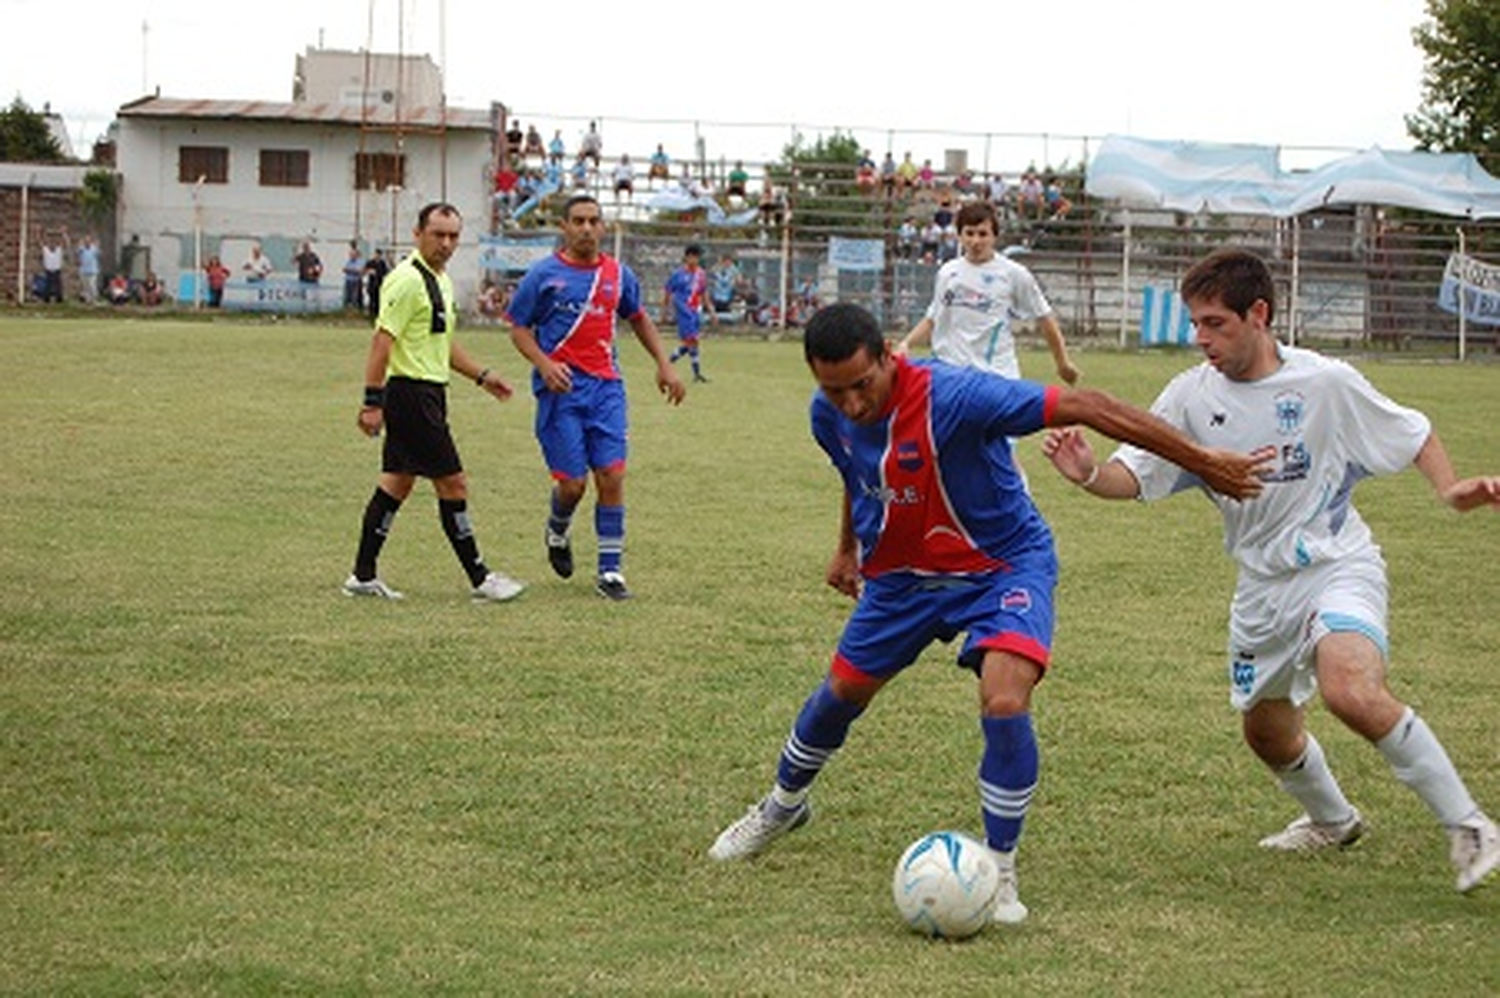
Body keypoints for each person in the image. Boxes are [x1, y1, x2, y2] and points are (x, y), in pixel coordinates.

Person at [706, 302, 1268, 930]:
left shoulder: (958, 396)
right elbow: (858, 472)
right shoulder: (828, 414)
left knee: (1004, 696)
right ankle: (783, 807)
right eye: (834, 391)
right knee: (840, 694)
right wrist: (847, 548)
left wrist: (1205, 459)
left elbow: (1092, 405)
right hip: (901, 579)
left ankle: (999, 868)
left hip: (1002, 567)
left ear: (891, 354)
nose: (852, 405)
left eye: (861, 385)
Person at [1042, 248, 1500, 895]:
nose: (1199, 338)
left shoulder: (1326, 384)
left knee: (1350, 689)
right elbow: (1135, 476)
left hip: (1338, 564)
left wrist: (1451, 491)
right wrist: (1088, 473)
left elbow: (1413, 432)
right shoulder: (1190, 396)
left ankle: (1472, 824)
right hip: (1261, 587)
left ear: (1258, 314)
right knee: (1266, 730)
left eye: (1214, 323)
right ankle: (1333, 820)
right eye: (1195, 323)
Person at [504, 194, 687, 601]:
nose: (587, 228)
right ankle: (557, 529)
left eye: (594, 221)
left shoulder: (619, 275)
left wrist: (664, 363)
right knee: (572, 485)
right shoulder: (544, 275)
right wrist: (545, 364)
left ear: (603, 227)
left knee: (613, 475)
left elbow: (638, 318)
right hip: (562, 391)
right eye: (578, 221)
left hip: (606, 389)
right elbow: (518, 327)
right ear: (564, 228)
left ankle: (610, 572)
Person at [344, 202, 526, 604]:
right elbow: (382, 342)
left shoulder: (438, 280)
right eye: (437, 234)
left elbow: (441, 344)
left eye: (453, 236)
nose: (446, 243)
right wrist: (371, 402)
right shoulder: (407, 280)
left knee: (397, 482)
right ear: (417, 233)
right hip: (410, 395)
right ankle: (480, 577)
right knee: (453, 482)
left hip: (429, 393)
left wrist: (482, 376)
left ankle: (362, 575)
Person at [897, 201, 1080, 388]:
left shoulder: (1013, 274)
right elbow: (933, 317)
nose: (975, 241)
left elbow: (1044, 317)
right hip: (951, 378)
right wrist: (906, 343)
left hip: (996, 378)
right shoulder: (947, 272)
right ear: (959, 235)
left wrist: (1062, 363)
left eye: (983, 234)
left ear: (995, 236)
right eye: (969, 233)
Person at [663, 244, 714, 383]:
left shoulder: (701, 274)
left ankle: (672, 365)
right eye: (693, 256)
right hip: (683, 312)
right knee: (692, 341)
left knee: (691, 343)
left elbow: (704, 294)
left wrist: (711, 311)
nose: (696, 260)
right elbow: (668, 292)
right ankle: (667, 365)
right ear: (687, 257)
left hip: (695, 312)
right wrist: (665, 312)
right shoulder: (678, 275)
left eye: (698, 257)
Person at [362, 248, 389, 320]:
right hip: (371, 284)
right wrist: (369, 271)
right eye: (375, 254)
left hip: (380, 284)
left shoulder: (382, 263)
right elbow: (363, 270)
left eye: (378, 255)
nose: (376, 256)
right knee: (371, 300)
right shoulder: (370, 262)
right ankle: (371, 314)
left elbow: (385, 272)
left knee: (378, 300)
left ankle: (378, 315)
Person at [76, 235, 101, 305]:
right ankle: (88, 300)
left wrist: (97, 245)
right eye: (86, 241)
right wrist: (79, 245)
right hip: (84, 270)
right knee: (86, 286)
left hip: (93, 270)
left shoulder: (94, 248)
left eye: (88, 241)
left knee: (92, 285)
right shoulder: (82, 249)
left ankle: (94, 299)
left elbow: (98, 253)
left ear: (91, 242)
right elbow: (78, 253)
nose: (87, 242)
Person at [40, 236, 65, 303]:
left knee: (58, 285)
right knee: (48, 285)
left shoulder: (58, 250)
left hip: (57, 270)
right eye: (51, 245)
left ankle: (59, 298)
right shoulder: (46, 250)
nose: (52, 246)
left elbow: (63, 243)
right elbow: (40, 243)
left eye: (54, 245)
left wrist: (64, 234)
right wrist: (37, 233)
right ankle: (46, 298)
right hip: (48, 270)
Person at [342, 241, 365, 311]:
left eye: (353, 254)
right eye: (350, 254)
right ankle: (346, 310)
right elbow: (344, 269)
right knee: (346, 297)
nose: (351, 256)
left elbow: (359, 271)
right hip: (348, 280)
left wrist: (349, 270)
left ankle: (355, 310)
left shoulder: (360, 261)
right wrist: (350, 270)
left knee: (355, 297)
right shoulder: (349, 261)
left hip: (356, 281)